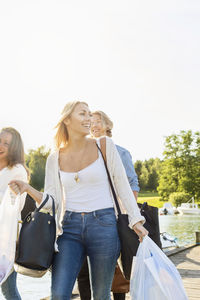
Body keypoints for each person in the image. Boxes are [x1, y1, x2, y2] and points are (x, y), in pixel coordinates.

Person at [9, 101, 148, 300]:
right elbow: (52, 201)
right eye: (83, 114)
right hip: (69, 229)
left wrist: (136, 221)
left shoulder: (104, 145)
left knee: (101, 295)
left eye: (89, 114)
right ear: (66, 119)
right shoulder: (54, 157)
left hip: (104, 225)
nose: (89, 119)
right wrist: (28, 189)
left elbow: (122, 186)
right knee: (58, 293)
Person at [77, 110, 139, 300]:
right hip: (86, 218)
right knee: (83, 272)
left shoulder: (120, 152)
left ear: (107, 126)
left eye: (97, 121)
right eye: (91, 122)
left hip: (113, 219)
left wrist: (127, 215)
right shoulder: (83, 153)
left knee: (115, 271)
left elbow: (132, 186)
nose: (93, 125)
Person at [0, 127, 28, 300]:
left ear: (14, 148)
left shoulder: (17, 170)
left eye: (6, 143)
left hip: (6, 237)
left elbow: (16, 203)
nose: (1, 145)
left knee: (8, 288)